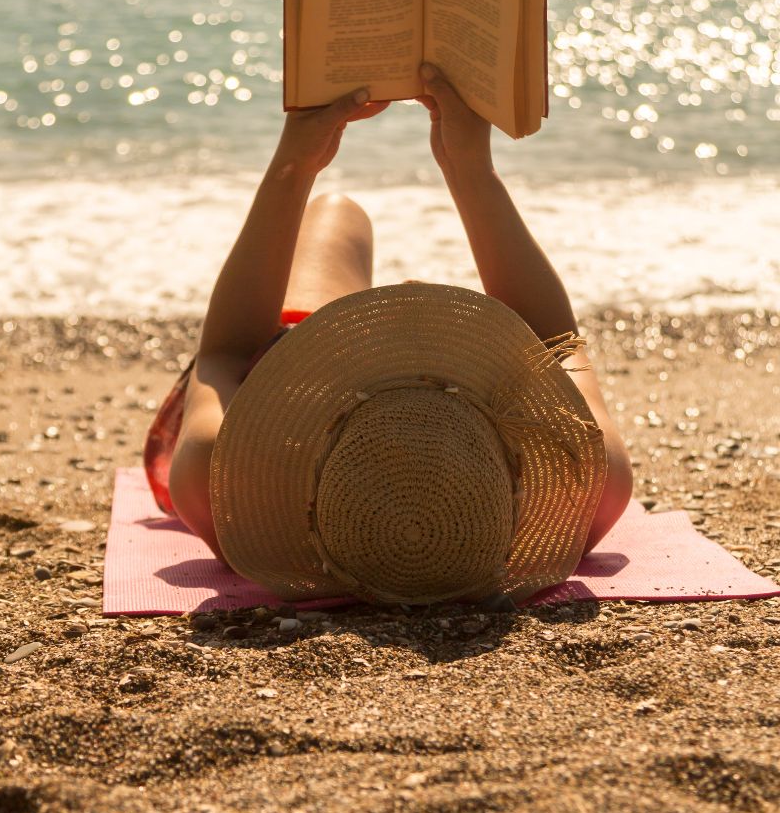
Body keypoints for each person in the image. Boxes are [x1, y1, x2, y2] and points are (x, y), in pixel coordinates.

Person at [143, 62, 632, 608]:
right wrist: (470, 168)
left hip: (276, 380)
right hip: (295, 414)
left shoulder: (223, 480)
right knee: (337, 219)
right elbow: (557, 340)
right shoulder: (584, 486)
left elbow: (223, 354)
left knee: (337, 211)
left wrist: (295, 162)